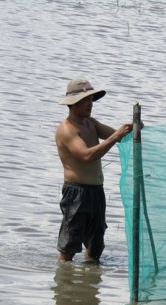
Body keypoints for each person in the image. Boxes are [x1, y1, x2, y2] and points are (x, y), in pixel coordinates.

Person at [55, 78, 133, 262]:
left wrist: (133, 128)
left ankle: (89, 282)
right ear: (73, 103)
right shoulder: (67, 129)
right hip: (77, 192)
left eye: (91, 99)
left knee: (95, 247)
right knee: (69, 249)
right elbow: (87, 156)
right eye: (85, 100)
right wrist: (116, 136)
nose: (90, 104)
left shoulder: (90, 123)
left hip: (96, 191)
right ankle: (66, 285)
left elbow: (118, 136)